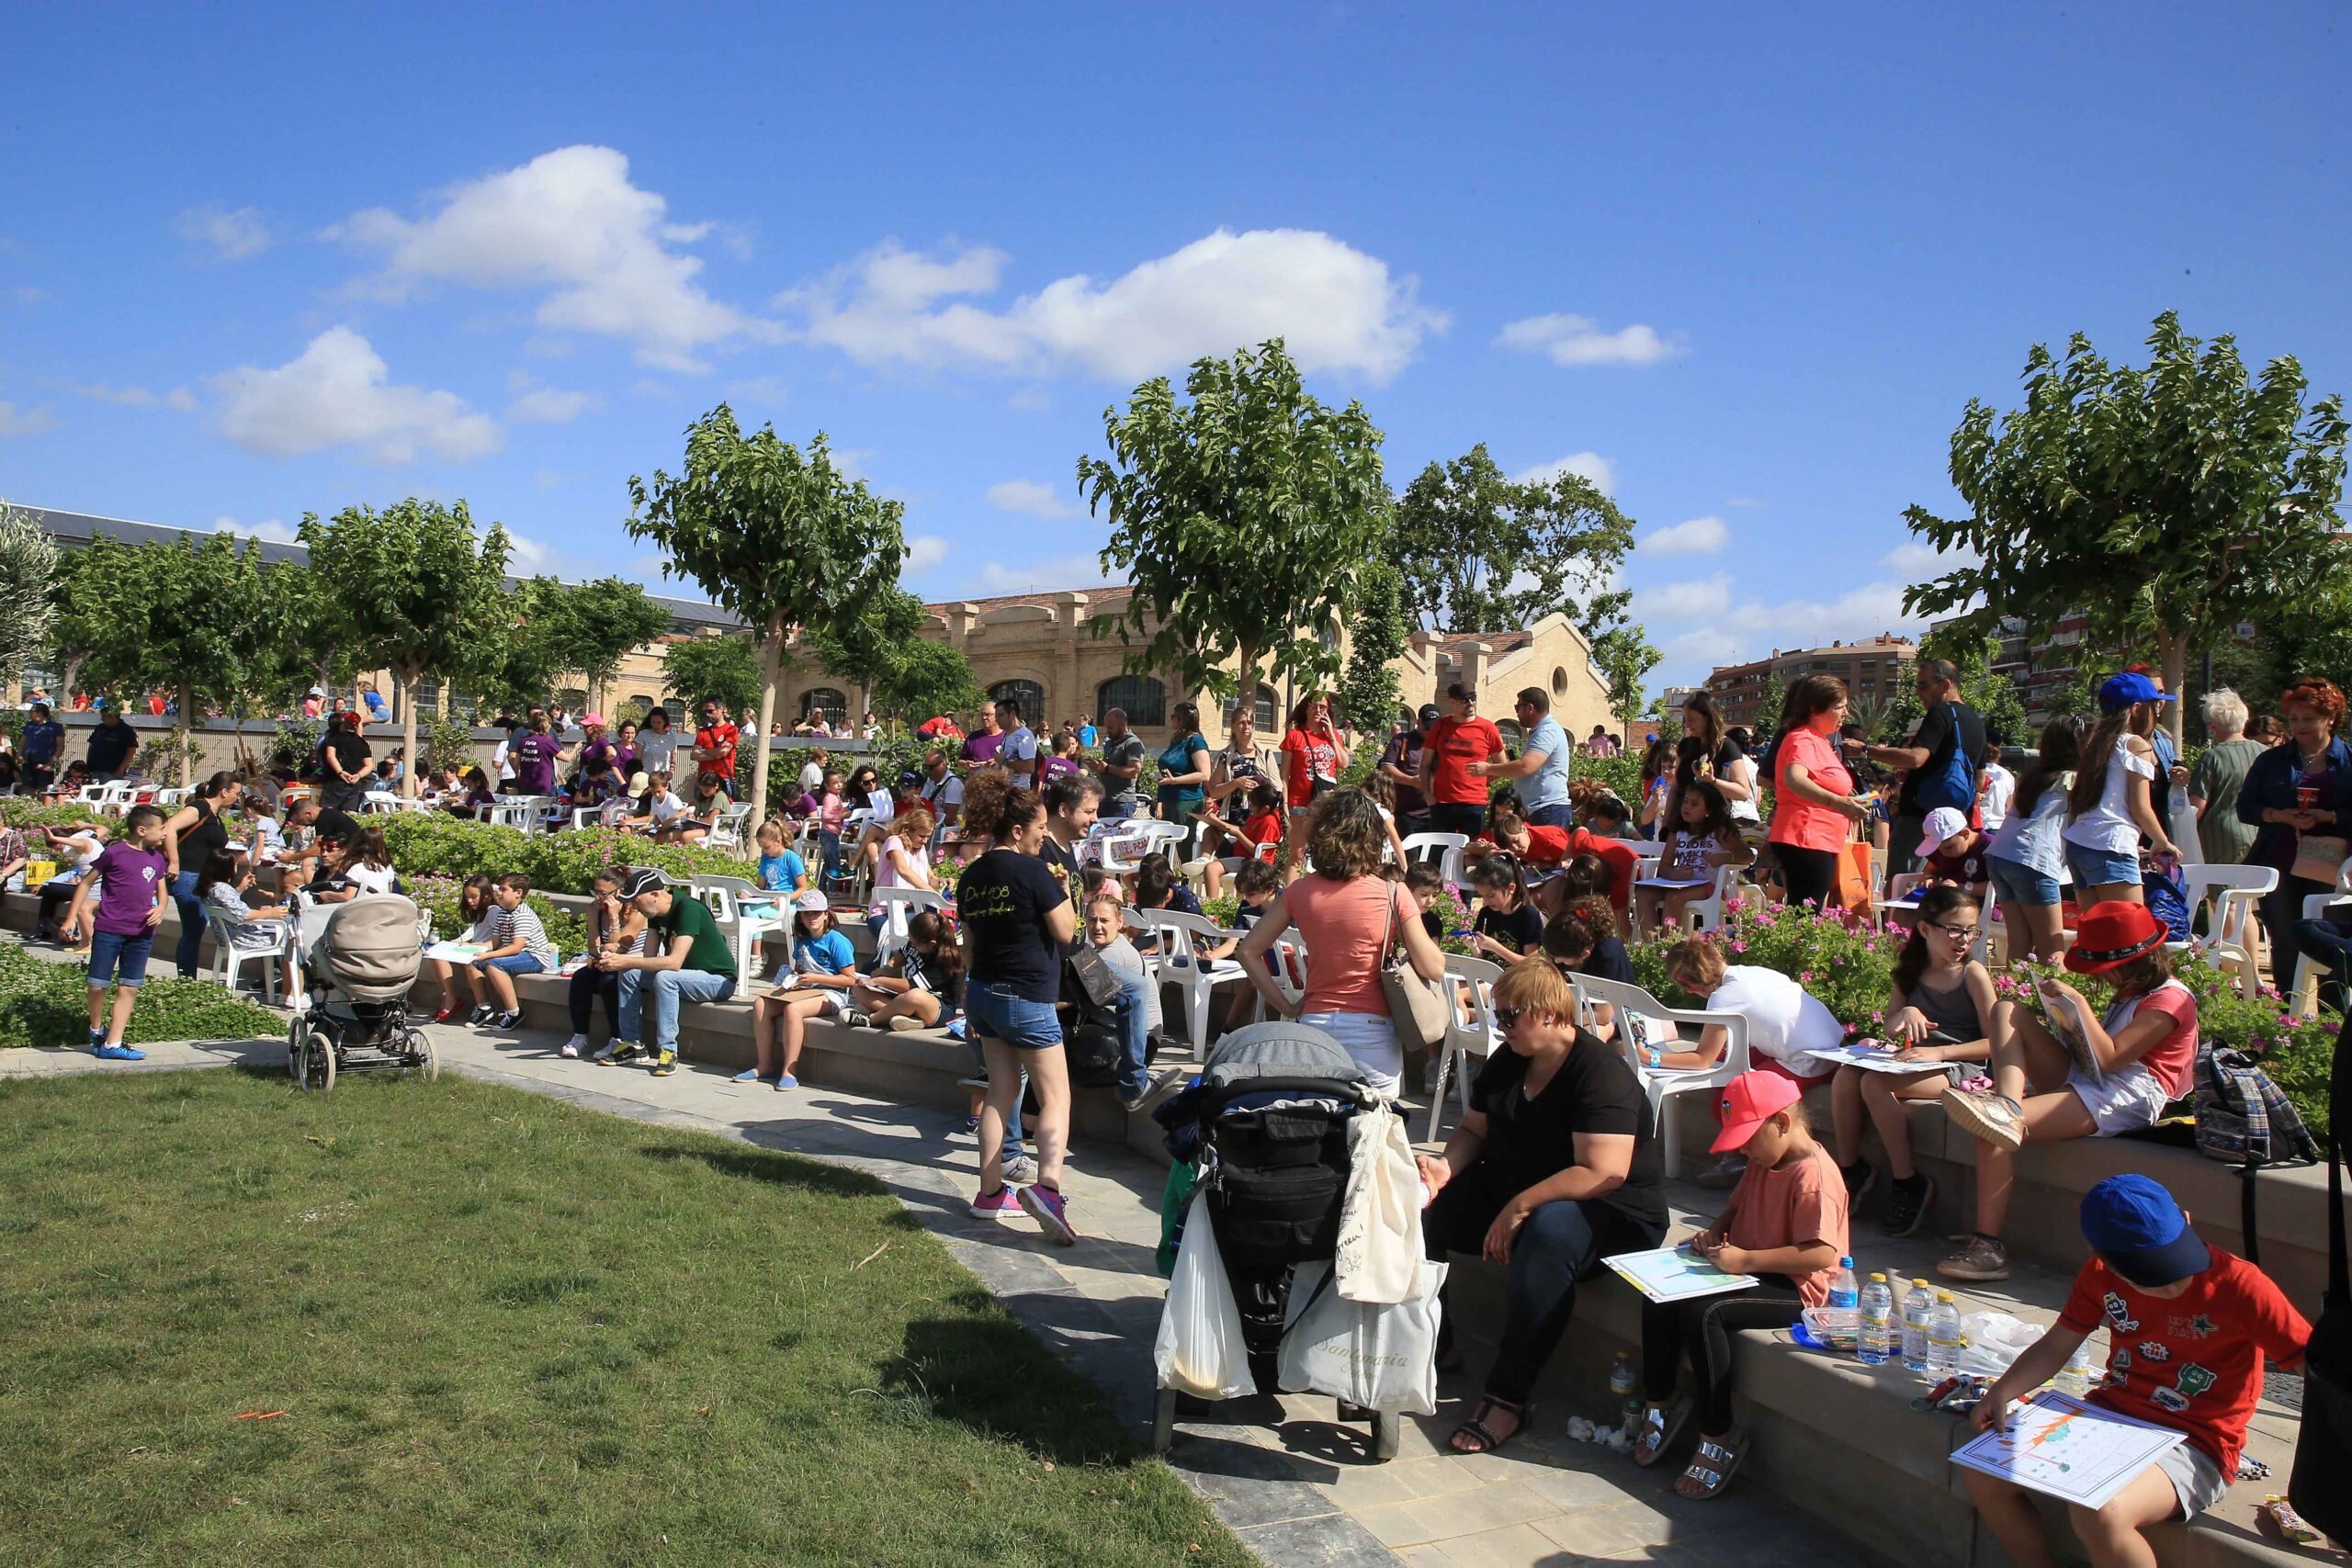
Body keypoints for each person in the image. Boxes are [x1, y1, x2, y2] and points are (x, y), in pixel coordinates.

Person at [1963, 1175, 2311, 1568]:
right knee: (1983, 1470)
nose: (2170, 1287)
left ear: (2186, 1220)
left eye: (2175, 1266)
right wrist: (2001, 1393)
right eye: (2149, 1277)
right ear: (2101, 1256)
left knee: (2101, 1510)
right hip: (2108, 1417)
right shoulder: (2099, 1273)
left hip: (2197, 1443)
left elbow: (2315, 1372)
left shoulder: (2242, 1285)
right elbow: (2057, 1343)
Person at [1418, 959, 1667, 1454]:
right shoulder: (1509, 1059)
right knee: (1427, 1207)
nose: (1501, 1026)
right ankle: (1430, 1342)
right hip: (1525, 1188)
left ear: (1551, 1014)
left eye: (1510, 1016)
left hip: (1611, 1212)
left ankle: (1507, 1398)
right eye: (1498, 1015)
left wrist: (1520, 1205)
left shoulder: (1600, 1074)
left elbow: (1604, 1171)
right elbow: (1472, 1130)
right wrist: (1444, 1170)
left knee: (1547, 1231)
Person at [1939, 901, 2199, 1282]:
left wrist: (2076, 1003)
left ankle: (1988, 1246)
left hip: (2131, 1095)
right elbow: (2098, 1057)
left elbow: (2111, 1058)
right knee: (2007, 1010)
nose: (2102, 980)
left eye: (2104, 971)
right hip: (2096, 1080)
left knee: (1990, 1134)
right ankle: (2008, 1105)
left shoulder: (2171, 998)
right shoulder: (2131, 990)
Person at [1632, 1071, 1849, 1500]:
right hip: (1747, 1266)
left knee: (1705, 1313)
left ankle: (1719, 1432)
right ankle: (1659, 1400)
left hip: (1796, 1287)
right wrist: (1712, 1235)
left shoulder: (1815, 1178)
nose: (1744, 1149)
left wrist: (1746, 1260)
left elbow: (1822, 1255)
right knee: (1657, 1293)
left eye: (1749, 1137)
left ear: (1782, 1123)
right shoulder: (1763, 1161)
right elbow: (1735, 1209)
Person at [1235, 788, 1447, 1096]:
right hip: (1373, 1029)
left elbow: (1248, 951)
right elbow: (1433, 967)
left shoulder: (1299, 892)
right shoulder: (1394, 893)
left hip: (1315, 1024)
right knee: (1373, 1128)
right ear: (1373, 838)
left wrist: (1288, 1006)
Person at [1828, 885, 1994, 1236]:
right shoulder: (1912, 969)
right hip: (1914, 1061)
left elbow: (1996, 1042)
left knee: (1874, 1083)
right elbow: (1891, 1022)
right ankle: (1851, 1168)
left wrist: (1941, 1052)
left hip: (1958, 1065)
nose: (1963, 940)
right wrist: (1907, 1011)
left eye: (1971, 930)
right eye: (1954, 929)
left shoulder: (1973, 975)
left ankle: (1908, 1181)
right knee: (1845, 1076)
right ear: (1925, 929)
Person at [957, 784, 1081, 1244]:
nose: (1044, 837)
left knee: (1000, 1091)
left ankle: (990, 1195)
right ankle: (1048, 1189)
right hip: (1027, 996)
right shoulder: (1035, 872)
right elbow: (1066, 932)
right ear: (1016, 829)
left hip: (983, 992)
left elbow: (969, 944)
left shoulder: (970, 876)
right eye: (1040, 829)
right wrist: (1065, 891)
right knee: (1056, 1097)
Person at [2237, 676, 2352, 991]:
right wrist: (2279, 815)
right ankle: (2288, 1016)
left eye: (2309, 719)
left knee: (2332, 937)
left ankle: (2332, 1017)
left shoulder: (2348, 761)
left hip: (2332, 864)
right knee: (2285, 937)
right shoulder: (2270, 761)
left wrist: (2329, 816)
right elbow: (2246, 807)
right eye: (2294, 719)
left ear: (2330, 719)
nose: (2300, 726)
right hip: (2280, 858)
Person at [597, 865, 740, 1078]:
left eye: (637, 900)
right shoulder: (655, 914)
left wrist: (623, 960)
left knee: (665, 977)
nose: (634, 905)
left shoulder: (688, 910)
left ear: (655, 895)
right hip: (685, 976)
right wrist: (618, 960)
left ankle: (668, 1050)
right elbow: (648, 958)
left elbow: (673, 963)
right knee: (629, 972)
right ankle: (633, 1044)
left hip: (718, 981)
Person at [1654, 937, 1842, 1089]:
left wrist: (1649, 1057)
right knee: (1725, 1061)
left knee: (1727, 1099)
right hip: (1830, 1054)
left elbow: (1703, 1060)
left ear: (1689, 987)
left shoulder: (1723, 998)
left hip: (1807, 1065)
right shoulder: (1755, 972)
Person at [2063, 672, 2182, 908]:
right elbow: (2141, 807)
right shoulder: (2135, 744)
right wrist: (2162, 841)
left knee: (2095, 930)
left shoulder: (2094, 743)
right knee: (2127, 932)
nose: (2157, 712)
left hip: (2079, 843)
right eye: (2153, 705)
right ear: (2137, 708)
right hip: (2112, 845)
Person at [65, 804, 171, 1060]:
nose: (166, 834)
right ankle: (96, 1029)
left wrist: (161, 909)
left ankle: (113, 1043)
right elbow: (86, 883)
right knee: (97, 985)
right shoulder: (115, 853)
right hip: (110, 929)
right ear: (142, 830)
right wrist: (70, 919)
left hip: (141, 933)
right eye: (162, 829)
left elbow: (162, 891)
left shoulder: (157, 859)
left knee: (129, 987)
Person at [1767, 675, 1875, 910]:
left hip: (1816, 837)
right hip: (1806, 836)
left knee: (1806, 910)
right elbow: (1794, 778)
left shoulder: (1817, 740)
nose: (1846, 713)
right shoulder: (1803, 739)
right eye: (1839, 707)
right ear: (1815, 709)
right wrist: (1839, 803)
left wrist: (1847, 802)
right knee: (1805, 913)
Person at [1866, 660, 1985, 873]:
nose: (1918, 693)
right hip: (1954, 820)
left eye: (1923, 686)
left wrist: (1866, 750)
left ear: (1945, 685)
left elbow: (1915, 758)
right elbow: (1979, 779)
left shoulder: (1941, 711)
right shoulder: (1976, 721)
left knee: (1900, 882)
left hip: (1920, 815)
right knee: (1936, 880)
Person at [1984, 718, 2086, 964]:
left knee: (2019, 942)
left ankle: (2014, 998)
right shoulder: (2074, 780)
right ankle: (2054, 1003)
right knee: (2052, 948)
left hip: (2000, 855)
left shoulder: (2034, 778)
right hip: (2033, 861)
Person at [744, 891, 863, 1085]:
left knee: (793, 1010)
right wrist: (791, 978)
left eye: (816, 912)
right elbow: (800, 968)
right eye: (807, 913)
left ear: (826, 914)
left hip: (833, 994)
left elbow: (850, 980)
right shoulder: (801, 939)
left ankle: (790, 1071)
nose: (812, 917)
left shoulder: (837, 941)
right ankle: (764, 1064)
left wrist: (816, 978)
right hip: (807, 990)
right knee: (760, 1004)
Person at [1634, 779, 1754, 933]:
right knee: (1643, 893)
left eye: (1694, 804)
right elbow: (1664, 867)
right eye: (1685, 802)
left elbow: (1748, 856)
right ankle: (1652, 945)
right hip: (1679, 883)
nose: (1687, 807)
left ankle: (1667, 947)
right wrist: (1675, 875)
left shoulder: (1719, 831)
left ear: (1708, 810)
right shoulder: (1677, 832)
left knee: (1675, 897)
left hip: (1708, 885)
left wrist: (1725, 859)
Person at [159, 772, 242, 979]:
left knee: (195, 930)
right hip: (187, 875)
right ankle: (186, 980)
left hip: (201, 878)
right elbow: (169, 828)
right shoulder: (200, 807)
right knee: (193, 930)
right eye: (236, 793)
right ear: (224, 791)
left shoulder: (214, 815)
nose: (237, 798)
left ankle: (188, 978)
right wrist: (174, 862)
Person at [557, 868, 647, 1057]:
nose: (598, 898)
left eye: (603, 894)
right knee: (581, 978)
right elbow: (593, 946)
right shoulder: (595, 910)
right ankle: (580, 1035)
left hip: (632, 965)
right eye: (595, 892)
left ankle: (617, 1038)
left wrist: (614, 916)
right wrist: (599, 954)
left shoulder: (637, 914)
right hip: (607, 963)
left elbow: (619, 946)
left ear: (619, 892)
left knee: (608, 982)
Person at [195, 850, 295, 998]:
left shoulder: (210, 887)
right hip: (243, 939)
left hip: (228, 937)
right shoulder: (222, 889)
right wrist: (270, 913)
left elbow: (230, 907)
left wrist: (240, 888)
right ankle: (290, 988)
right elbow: (245, 915)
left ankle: (278, 980)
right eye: (235, 865)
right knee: (292, 934)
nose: (236, 869)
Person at [1471, 688, 1573, 829]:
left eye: (1518, 707)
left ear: (1530, 708)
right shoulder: (1541, 731)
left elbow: (1525, 766)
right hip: (1540, 810)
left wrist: (1487, 769)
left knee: (1546, 851)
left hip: (1546, 810)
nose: (1517, 713)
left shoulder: (1547, 731)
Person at [466, 874, 555, 1031]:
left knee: (494, 965)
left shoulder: (523, 914)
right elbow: (495, 942)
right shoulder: (503, 912)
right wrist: (473, 948)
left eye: (503, 889)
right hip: (517, 954)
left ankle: (514, 1012)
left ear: (518, 893)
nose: (499, 892)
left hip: (534, 957)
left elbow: (516, 947)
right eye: (498, 889)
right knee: (471, 961)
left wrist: (488, 955)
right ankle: (484, 1007)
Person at [852, 908, 963, 1032]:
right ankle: (907, 1019)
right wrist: (887, 968)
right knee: (859, 990)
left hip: (938, 1008)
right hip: (904, 998)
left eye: (915, 944)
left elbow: (909, 986)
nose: (912, 945)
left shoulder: (945, 960)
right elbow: (901, 955)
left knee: (915, 996)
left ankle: (872, 1019)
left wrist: (878, 980)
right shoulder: (917, 941)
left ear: (931, 944)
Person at [1418, 682, 1502, 840]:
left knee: (1469, 853)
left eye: (1473, 698)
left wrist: (1480, 780)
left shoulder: (1488, 728)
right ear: (1453, 703)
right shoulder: (1441, 725)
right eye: (1464, 700)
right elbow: (1425, 764)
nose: (1470, 703)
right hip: (1442, 802)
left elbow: (1501, 766)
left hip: (1474, 803)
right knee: (1439, 854)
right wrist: (1427, 794)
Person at [1679, 691, 1760, 829]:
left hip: (1714, 826)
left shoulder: (1727, 747)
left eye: (1692, 719)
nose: (1688, 725)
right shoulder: (1686, 746)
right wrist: (1667, 824)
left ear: (1709, 718)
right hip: (1682, 825)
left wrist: (1713, 781)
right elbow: (1676, 787)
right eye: (1686, 719)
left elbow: (1743, 792)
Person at [427, 874, 501, 1022]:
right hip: (474, 948)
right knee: (435, 955)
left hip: (485, 951)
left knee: (453, 960)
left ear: (486, 895)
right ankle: (447, 996)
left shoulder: (493, 911)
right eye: (467, 897)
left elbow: (496, 941)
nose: (470, 901)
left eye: (474, 896)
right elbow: (472, 932)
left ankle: (452, 1000)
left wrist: (473, 945)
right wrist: (455, 942)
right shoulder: (479, 912)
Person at [1465, 854, 1545, 962]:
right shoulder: (1486, 913)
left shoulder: (1528, 915)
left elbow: (1531, 964)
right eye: (1482, 896)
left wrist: (1495, 947)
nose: (1486, 901)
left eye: (1491, 895)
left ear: (1511, 888)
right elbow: (1482, 958)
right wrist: (1474, 947)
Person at [1379, 705, 1437, 833]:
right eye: (1427, 728)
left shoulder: (1440, 742)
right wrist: (1411, 781)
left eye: (1434, 727)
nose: (1430, 731)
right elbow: (1386, 768)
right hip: (1408, 814)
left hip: (1435, 812)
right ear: (1418, 722)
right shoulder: (1401, 741)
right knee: (1411, 853)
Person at [1154, 701, 1213, 827]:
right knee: (1165, 842)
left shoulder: (1196, 741)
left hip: (1186, 801)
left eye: (1173, 717)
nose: (1171, 720)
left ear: (1181, 719)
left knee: (1183, 842)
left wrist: (1174, 780)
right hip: (1168, 799)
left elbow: (1205, 775)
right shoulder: (1176, 740)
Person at [1094, 707, 1148, 822]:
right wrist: (1098, 768)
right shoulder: (1110, 743)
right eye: (1106, 727)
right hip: (1105, 800)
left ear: (1122, 725)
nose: (1108, 731)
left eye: (1111, 728)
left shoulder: (1132, 743)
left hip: (1122, 803)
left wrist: (1108, 768)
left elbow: (1134, 771)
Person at [314, 709, 374, 811]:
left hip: (336, 781)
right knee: (349, 815)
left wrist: (341, 772)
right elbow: (369, 765)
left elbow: (330, 756)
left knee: (327, 813)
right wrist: (358, 775)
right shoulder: (362, 742)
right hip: (354, 784)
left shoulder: (334, 738)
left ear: (343, 723)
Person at [508, 708, 565, 800]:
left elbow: (514, 760)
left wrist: (519, 773)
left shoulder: (523, 740)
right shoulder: (546, 740)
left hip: (527, 784)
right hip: (544, 786)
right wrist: (576, 748)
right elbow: (565, 757)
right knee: (546, 812)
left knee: (528, 811)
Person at [83, 702, 141, 784]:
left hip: (112, 770)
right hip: (95, 768)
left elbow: (131, 750)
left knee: (108, 793)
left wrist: (122, 768)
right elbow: (92, 745)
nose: (102, 719)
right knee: (94, 794)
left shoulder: (125, 730)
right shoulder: (100, 728)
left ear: (113, 716)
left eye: (104, 717)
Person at [691, 700, 740, 793]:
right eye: (705, 712)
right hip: (703, 780)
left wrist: (703, 750)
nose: (708, 715)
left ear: (721, 709)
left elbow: (723, 752)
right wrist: (716, 754)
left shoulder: (731, 730)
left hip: (723, 779)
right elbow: (693, 755)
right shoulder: (703, 732)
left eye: (710, 711)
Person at [994, 696, 1040, 790]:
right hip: (1005, 791)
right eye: (996, 716)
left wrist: (1004, 761)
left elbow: (1029, 767)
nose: (996, 720)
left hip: (1017, 793)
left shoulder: (1024, 736)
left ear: (1012, 714)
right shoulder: (1006, 735)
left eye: (1000, 715)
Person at [19, 699, 64, 790]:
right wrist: (19, 755)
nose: (30, 714)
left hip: (45, 762)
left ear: (40, 713)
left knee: (44, 790)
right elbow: (23, 741)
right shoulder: (29, 725)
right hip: (29, 762)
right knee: (27, 789)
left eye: (32, 712)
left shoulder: (55, 727)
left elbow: (60, 746)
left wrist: (50, 763)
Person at [1977, 744, 2014, 831]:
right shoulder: (2007, 775)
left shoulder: (1975, 771)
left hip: (1978, 824)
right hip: (1999, 826)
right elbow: (2008, 806)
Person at [959, 703, 1006, 770]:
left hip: (1000, 778)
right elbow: (960, 761)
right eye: (982, 715)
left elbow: (1017, 762)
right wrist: (966, 764)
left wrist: (999, 761)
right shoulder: (973, 737)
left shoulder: (1007, 737)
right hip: (977, 778)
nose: (984, 718)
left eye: (987, 715)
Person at [637, 707, 677, 778]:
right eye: (653, 722)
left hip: (663, 779)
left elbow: (673, 760)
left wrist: (671, 772)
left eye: (659, 722)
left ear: (665, 721)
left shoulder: (671, 738)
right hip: (646, 777)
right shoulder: (643, 734)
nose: (656, 725)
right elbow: (637, 757)